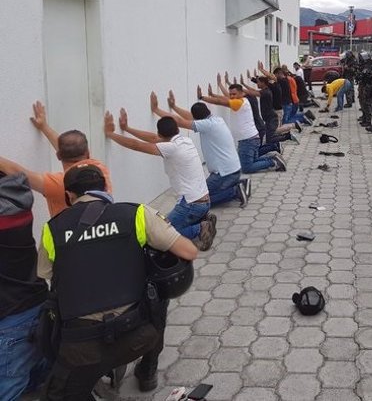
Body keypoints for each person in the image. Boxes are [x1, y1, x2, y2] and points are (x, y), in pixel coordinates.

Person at [38, 164, 198, 399]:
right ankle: (148, 370)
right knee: (158, 294)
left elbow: (46, 274)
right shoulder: (136, 214)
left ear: (69, 196)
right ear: (105, 187)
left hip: (81, 348)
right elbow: (189, 251)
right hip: (138, 335)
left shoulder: (51, 229)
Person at [103, 110, 217, 250]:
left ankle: (200, 228)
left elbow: (136, 145)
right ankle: (202, 218)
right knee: (169, 225)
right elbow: (153, 138)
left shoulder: (171, 148)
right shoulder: (185, 141)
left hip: (190, 205)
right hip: (204, 202)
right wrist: (127, 128)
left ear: (160, 134)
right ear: (177, 129)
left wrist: (110, 134)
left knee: (162, 235)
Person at [0, 101, 112, 216]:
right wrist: (44, 127)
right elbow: (71, 148)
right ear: (88, 153)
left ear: (58, 156)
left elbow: (17, 172)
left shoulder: (58, 183)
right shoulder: (99, 170)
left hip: (68, 233)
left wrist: (44, 127)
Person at [150, 91, 249, 207]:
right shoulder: (216, 120)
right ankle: (240, 184)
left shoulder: (207, 125)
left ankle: (235, 191)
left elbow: (180, 121)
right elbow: (189, 118)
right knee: (202, 194)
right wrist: (174, 107)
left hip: (224, 174)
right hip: (233, 170)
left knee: (200, 199)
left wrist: (156, 109)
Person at [0, 171, 48, 401]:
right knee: (37, 366)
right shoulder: (17, 199)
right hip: (36, 298)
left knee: (9, 387)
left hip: (11, 315)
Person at [199, 84, 287, 173]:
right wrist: (212, 94)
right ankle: (273, 158)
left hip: (248, 140)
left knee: (246, 168)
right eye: (231, 94)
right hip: (251, 138)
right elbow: (224, 98)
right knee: (250, 162)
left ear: (242, 93)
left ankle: (273, 162)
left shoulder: (239, 103)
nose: (232, 96)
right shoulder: (242, 100)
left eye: (234, 94)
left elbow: (221, 102)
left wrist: (202, 98)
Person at [357, 51, 372, 127]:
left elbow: (371, 76)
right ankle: (365, 118)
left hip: (368, 86)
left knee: (367, 103)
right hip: (363, 85)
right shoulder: (364, 65)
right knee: (363, 103)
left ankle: (368, 121)